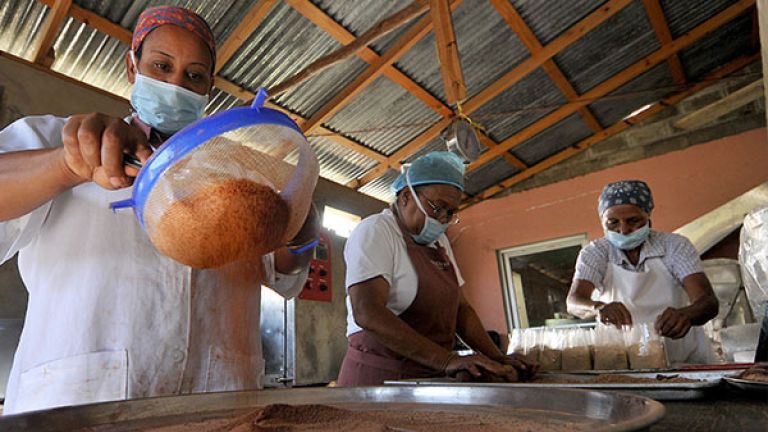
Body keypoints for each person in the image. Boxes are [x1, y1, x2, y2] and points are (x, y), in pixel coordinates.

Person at [0, 6, 317, 414]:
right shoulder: (63, 139)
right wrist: (67, 164)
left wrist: (302, 213)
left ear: (208, 88)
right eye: (161, 66)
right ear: (132, 68)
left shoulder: (241, 173)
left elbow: (285, 267)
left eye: (194, 75)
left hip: (218, 401)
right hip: (86, 404)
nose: (175, 84)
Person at [337, 152, 533, 386]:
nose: (442, 219)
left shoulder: (439, 243)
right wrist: (446, 361)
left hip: (425, 379)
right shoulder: (375, 231)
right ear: (407, 196)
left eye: (450, 213)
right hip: (379, 380)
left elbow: (461, 310)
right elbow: (367, 311)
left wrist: (498, 358)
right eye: (437, 207)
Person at [566, 180, 719, 364]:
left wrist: (686, 315)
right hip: (622, 359)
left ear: (648, 216)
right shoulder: (595, 252)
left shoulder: (675, 246)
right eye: (613, 222)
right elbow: (573, 302)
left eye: (633, 221)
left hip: (680, 356)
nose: (623, 230)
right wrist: (599, 307)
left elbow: (708, 302)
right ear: (602, 222)